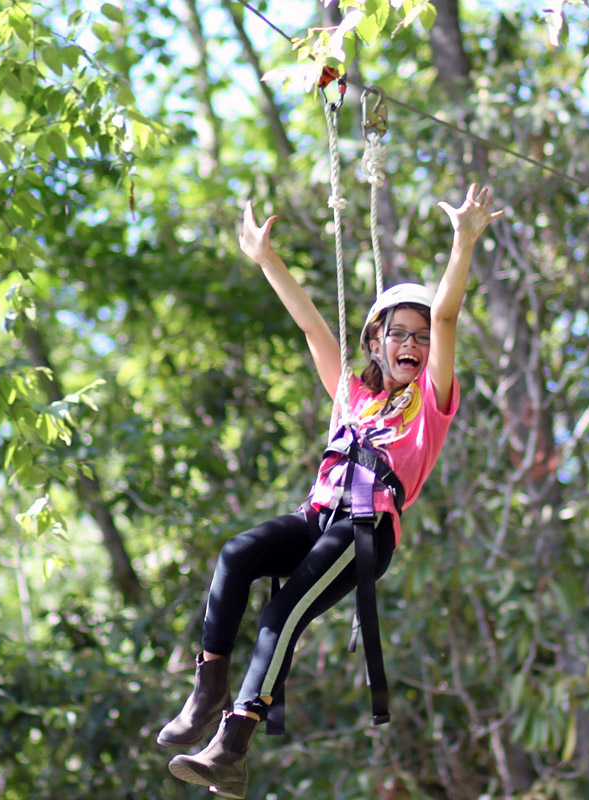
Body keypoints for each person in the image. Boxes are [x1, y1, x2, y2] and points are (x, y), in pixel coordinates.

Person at [158, 184, 504, 798]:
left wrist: (464, 241)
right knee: (237, 554)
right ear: (376, 341)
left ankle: (233, 745)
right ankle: (208, 691)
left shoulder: (430, 403)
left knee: (282, 611)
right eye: (398, 334)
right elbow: (313, 326)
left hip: (365, 530)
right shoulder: (354, 394)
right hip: (318, 517)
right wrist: (267, 260)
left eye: (419, 338)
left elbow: (447, 314)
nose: (411, 345)